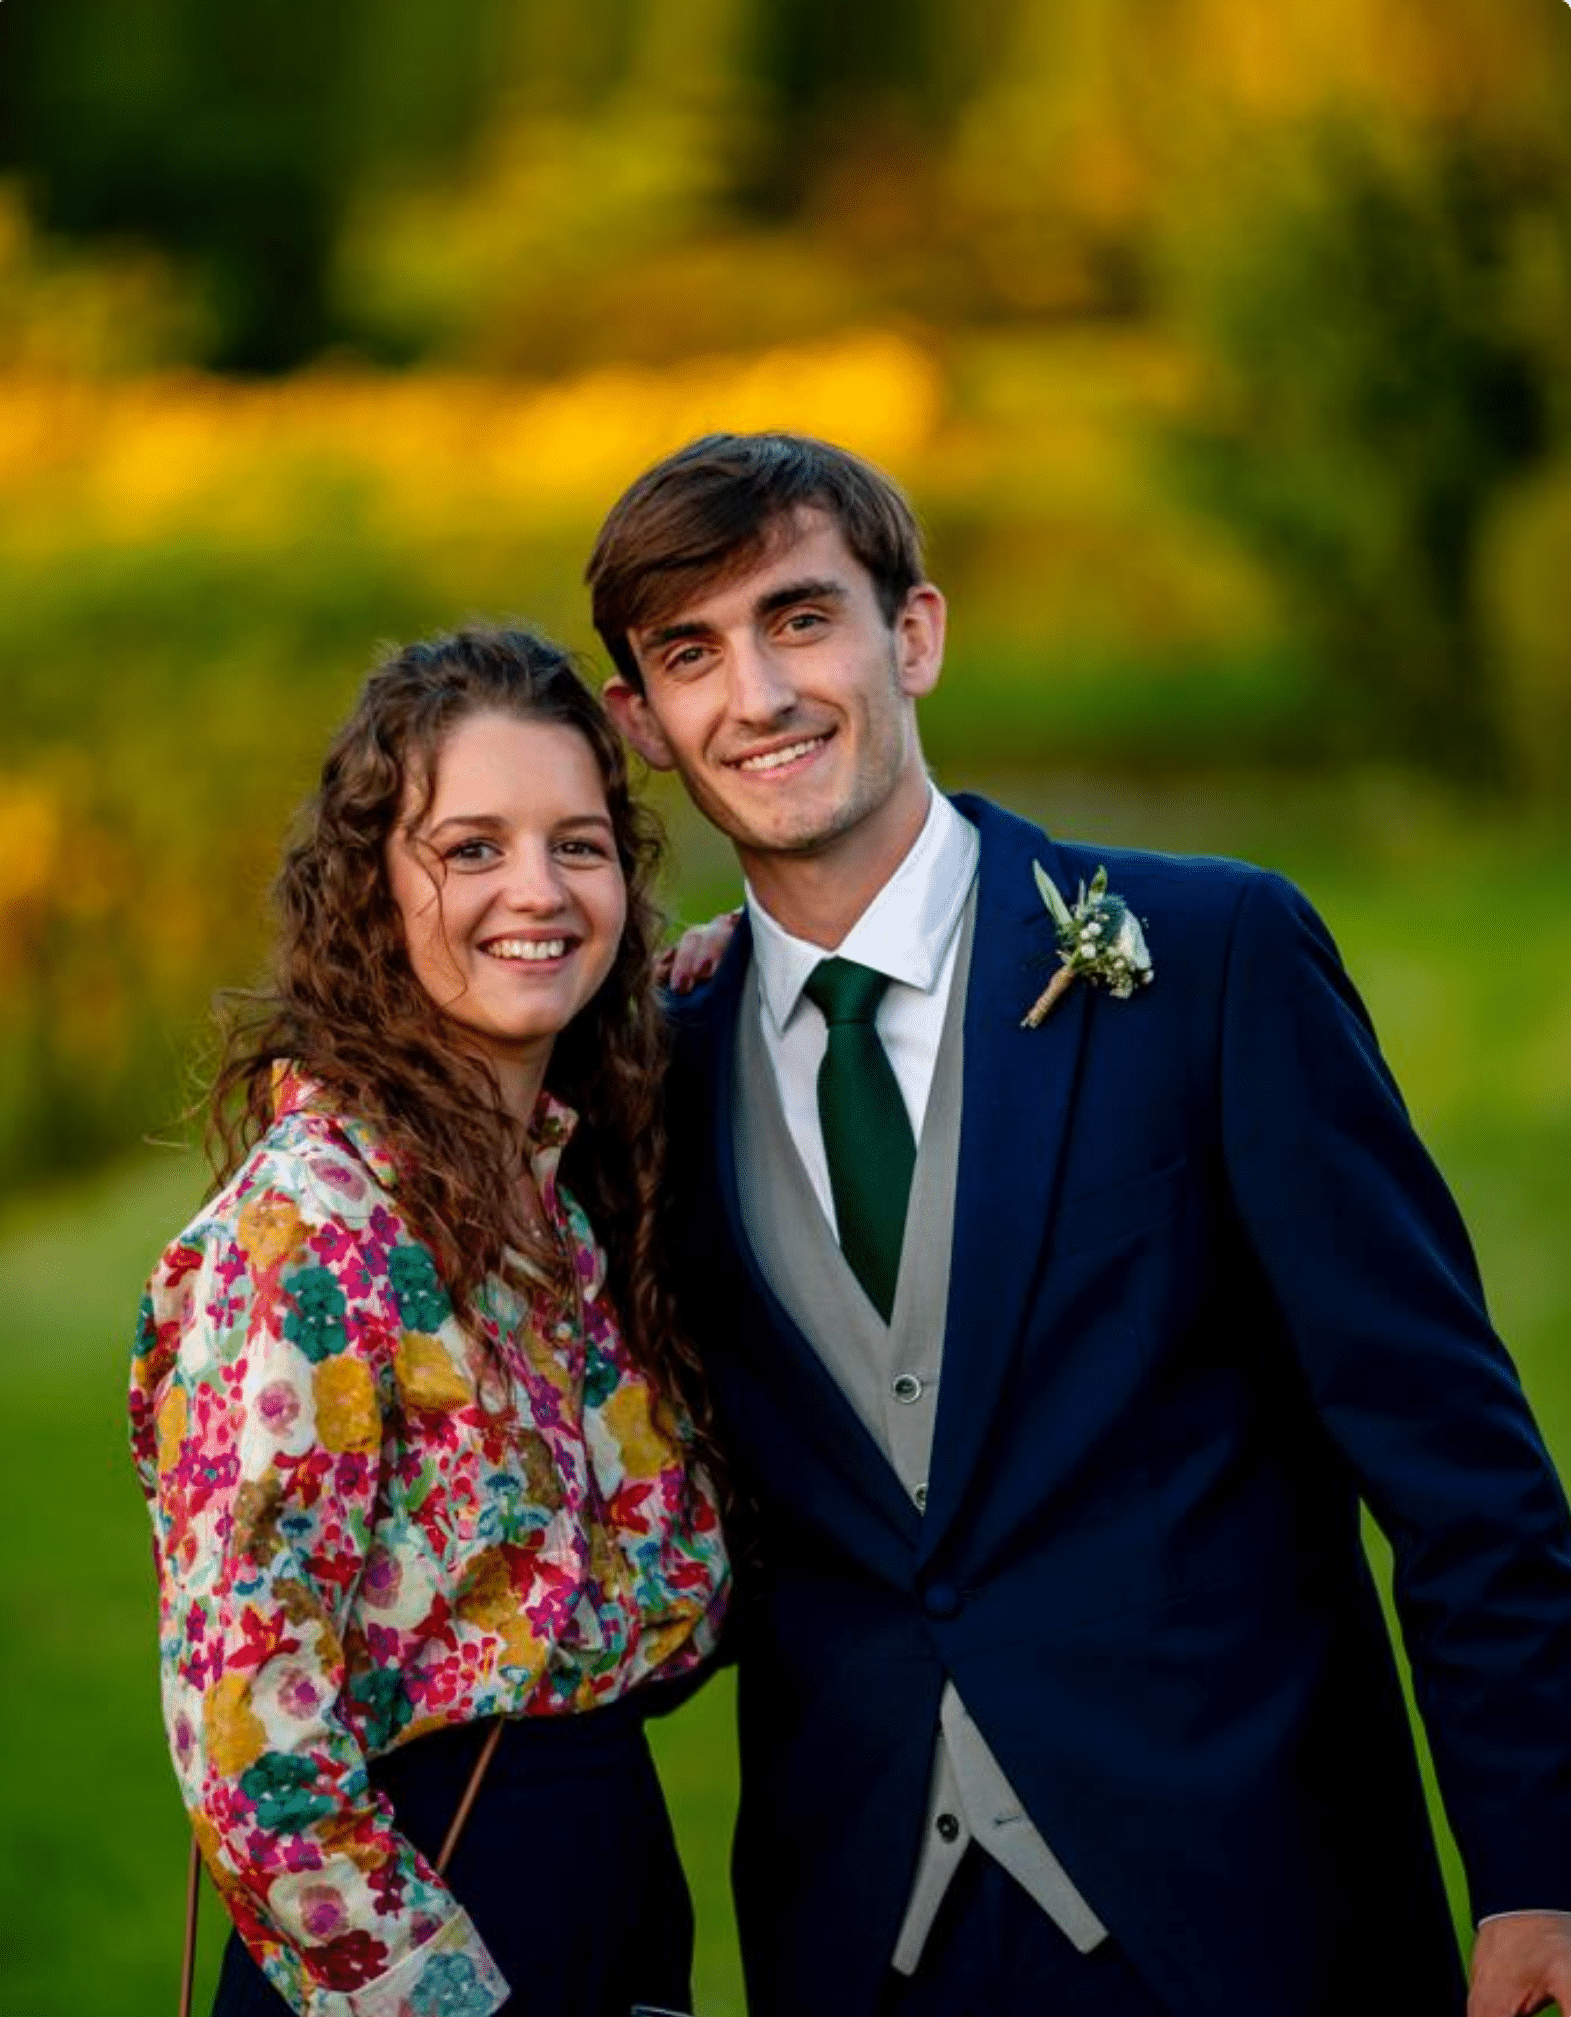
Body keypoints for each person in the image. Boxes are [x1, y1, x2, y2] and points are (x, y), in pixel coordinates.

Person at [586, 432, 1571, 2017]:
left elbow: (1455, 1462)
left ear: (912, 634)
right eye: (690, 654)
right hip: (864, 1934)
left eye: (800, 618)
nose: (756, 696)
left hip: (1254, 1909)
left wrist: (1537, 1868)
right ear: (638, 723)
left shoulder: (1210, 959)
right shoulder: (648, 1072)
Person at [128, 627, 729, 2017]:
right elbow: (253, 1746)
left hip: (603, 1880)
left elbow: (664, 1598)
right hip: (416, 1925)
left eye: (578, 846)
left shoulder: (559, 1202)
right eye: (471, 849)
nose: (538, 891)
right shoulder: (312, 1234)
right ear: (371, 890)